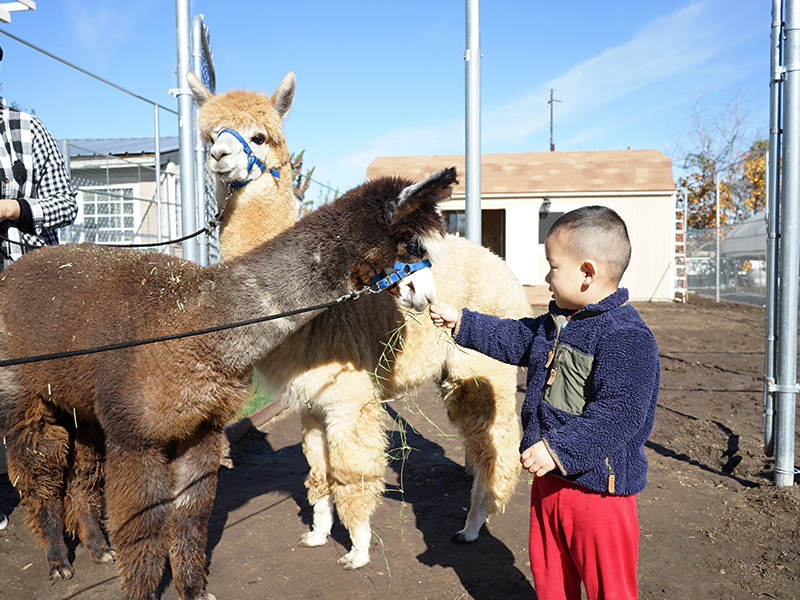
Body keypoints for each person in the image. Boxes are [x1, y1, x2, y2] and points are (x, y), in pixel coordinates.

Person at [429, 205, 659, 600]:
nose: (547, 278)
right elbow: (512, 337)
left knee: (610, 588)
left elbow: (620, 414)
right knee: (552, 579)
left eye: (553, 267)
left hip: (598, 496)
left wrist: (558, 450)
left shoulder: (626, 337)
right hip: (549, 483)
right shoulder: (556, 322)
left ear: (587, 273)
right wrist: (462, 322)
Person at [0, 43, 78, 531]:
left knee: (48, 395)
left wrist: (13, 210)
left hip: (33, 291)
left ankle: (67, 498)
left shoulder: (26, 130)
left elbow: (67, 202)